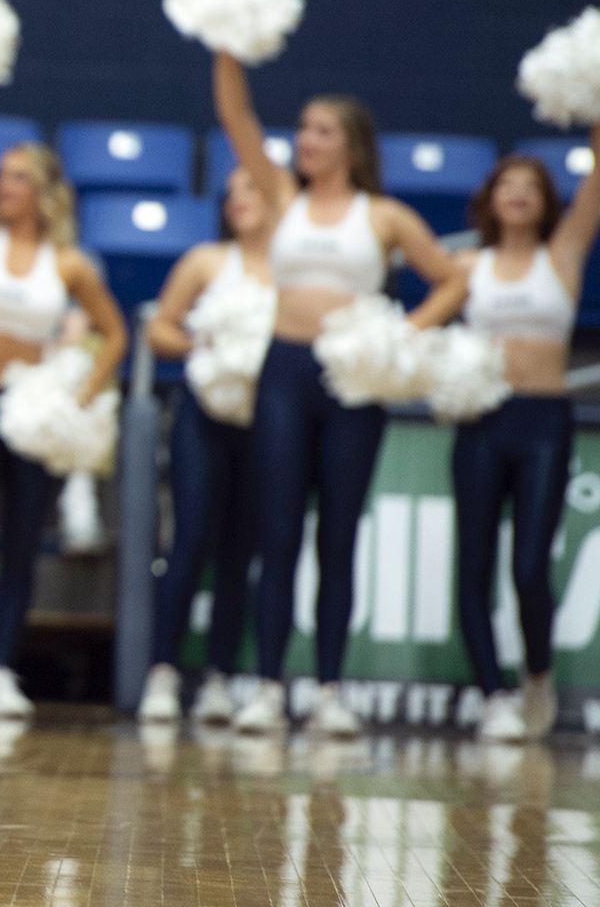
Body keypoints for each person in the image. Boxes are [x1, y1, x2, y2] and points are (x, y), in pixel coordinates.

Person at [211, 51, 467, 736]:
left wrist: (398, 335)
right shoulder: (282, 197)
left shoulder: (383, 215)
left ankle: (328, 689)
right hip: (285, 371)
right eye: (303, 128)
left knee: (340, 536)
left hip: (353, 382)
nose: (306, 139)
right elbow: (236, 116)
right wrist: (227, 43)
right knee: (278, 530)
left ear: (351, 144)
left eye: (321, 130)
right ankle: (266, 686)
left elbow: (452, 281)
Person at [0, 74, 127, 720]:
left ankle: (1, 670)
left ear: (40, 191)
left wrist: (79, 396)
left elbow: (116, 335)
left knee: (20, 541)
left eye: (15, 177)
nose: (1, 185)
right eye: (0, 175)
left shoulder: (69, 264)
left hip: (31, 414)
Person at [452, 131, 600, 743]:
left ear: (547, 202)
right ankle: (492, 695)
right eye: (506, 184)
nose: (517, 194)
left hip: (543, 420)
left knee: (530, 566)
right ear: (488, 199)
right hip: (482, 420)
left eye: (530, 186)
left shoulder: (562, 256)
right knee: (474, 564)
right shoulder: (465, 266)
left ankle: (537, 674)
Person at [138, 170, 275, 724]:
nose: (239, 198)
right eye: (232, 191)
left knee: (241, 554)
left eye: (253, 188)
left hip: (268, 421)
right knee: (190, 538)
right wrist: (211, 346)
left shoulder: (295, 270)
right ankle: (163, 673)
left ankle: (219, 677)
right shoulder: (205, 260)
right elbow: (159, 329)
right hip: (204, 414)